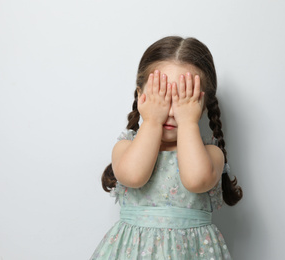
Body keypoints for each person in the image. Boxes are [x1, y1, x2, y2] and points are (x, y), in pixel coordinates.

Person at [90, 36, 243, 260]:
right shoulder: (125, 147)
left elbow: (196, 180)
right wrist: (152, 121)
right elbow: (133, 176)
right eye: (162, 97)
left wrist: (188, 122)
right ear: (141, 96)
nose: (171, 111)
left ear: (202, 103)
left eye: (183, 99)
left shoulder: (211, 154)